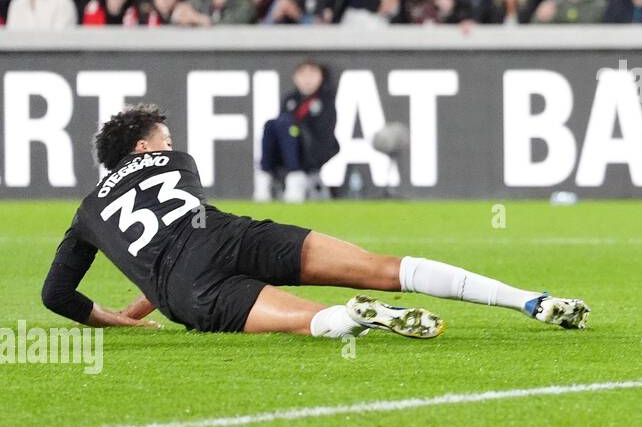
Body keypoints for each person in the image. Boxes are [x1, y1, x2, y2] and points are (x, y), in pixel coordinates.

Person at [41, 105, 590, 337]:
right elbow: (179, 229)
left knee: (310, 320)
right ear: (143, 148)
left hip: (189, 288)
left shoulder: (87, 213)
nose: (172, 143)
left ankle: (353, 318)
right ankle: (527, 300)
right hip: (228, 234)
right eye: (163, 136)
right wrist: (146, 296)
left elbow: (56, 294)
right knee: (381, 265)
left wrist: (122, 319)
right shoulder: (175, 163)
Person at [256, 61, 339, 202]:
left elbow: (324, 133)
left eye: (312, 74)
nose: (307, 79)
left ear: (321, 77)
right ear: (295, 77)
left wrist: (295, 129)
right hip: (287, 149)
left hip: (313, 149)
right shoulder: (290, 99)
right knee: (270, 125)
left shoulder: (326, 100)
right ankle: (264, 176)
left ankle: (295, 176)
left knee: (289, 126)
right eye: (303, 74)